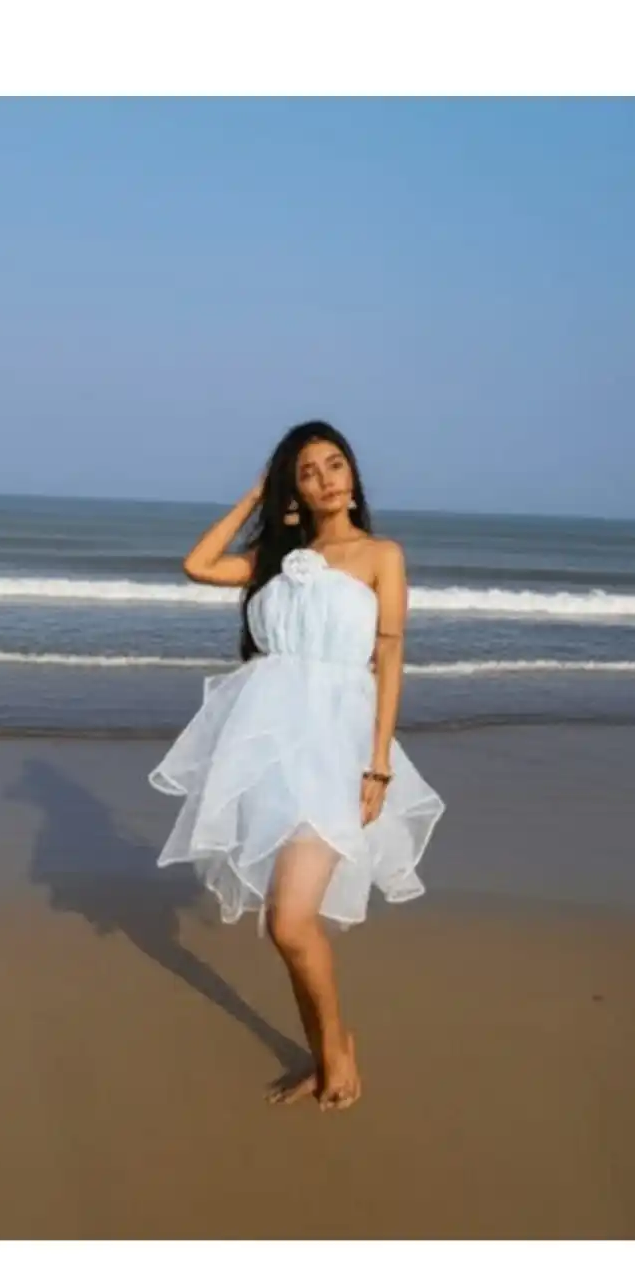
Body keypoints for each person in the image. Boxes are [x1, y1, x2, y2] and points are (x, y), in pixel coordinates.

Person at [149, 421, 445, 1111]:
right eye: (307, 472)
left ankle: (338, 1050)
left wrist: (379, 765)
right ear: (294, 488)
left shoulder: (381, 555)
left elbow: (390, 656)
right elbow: (197, 564)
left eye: (334, 464)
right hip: (270, 752)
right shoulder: (278, 560)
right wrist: (256, 496)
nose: (325, 480)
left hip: (339, 752)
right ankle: (327, 1053)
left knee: (288, 920)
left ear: (353, 473)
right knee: (285, 924)